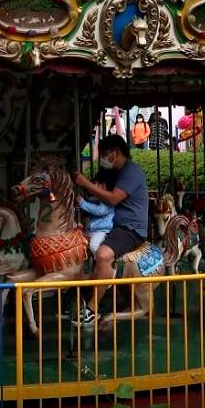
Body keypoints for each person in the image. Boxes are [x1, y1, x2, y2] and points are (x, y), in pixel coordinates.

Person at [73, 134, 149, 325]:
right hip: (112, 225)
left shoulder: (131, 172)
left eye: (104, 154)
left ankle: (92, 310)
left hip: (130, 228)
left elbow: (113, 199)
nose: (102, 159)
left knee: (103, 254)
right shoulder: (115, 173)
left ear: (115, 153)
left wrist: (86, 183)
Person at [76, 168, 116, 256]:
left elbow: (99, 210)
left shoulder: (107, 201)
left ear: (104, 186)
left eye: (97, 184)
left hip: (102, 231)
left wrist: (83, 203)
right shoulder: (98, 198)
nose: (95, 186)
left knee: (94, 245)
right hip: (92, 230)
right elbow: (91, 201)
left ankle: (101, 262)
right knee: (79, 242)